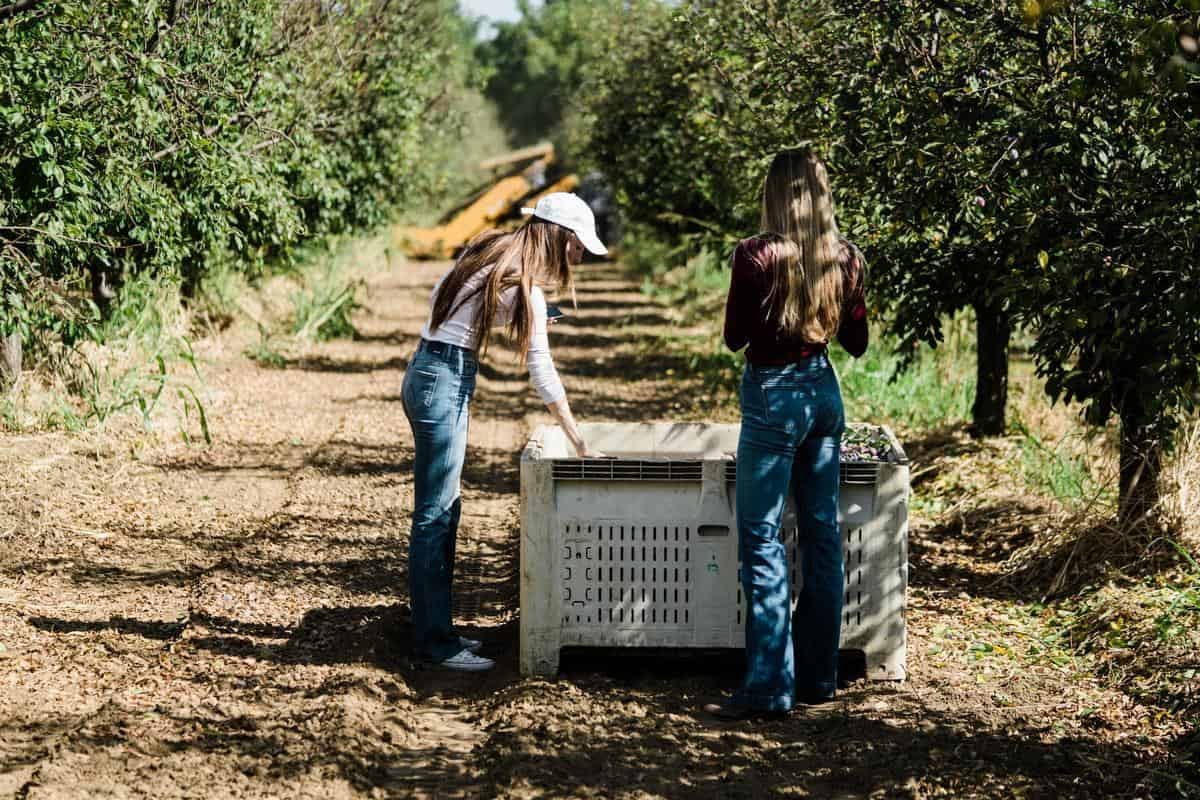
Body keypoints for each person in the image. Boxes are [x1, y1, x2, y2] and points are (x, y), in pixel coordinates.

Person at [402, 192, 608, 672]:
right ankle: (435, 643)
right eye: (578, 247)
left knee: (444, 510)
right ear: (560, 237)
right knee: (435, 515)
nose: (579, 258)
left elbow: (455, 307)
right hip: (443, 379)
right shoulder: (521, 280)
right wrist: (578, 440)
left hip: (432, 371)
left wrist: (532, 317)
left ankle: (441, 629)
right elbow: (542, 370)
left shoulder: (496, 251)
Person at [705, 149, 869, 719]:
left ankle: (769, 685)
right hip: (824, 393)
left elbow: (733, 337)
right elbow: (858, 343)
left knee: (763, 536)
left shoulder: (756, 255)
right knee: (823, 532)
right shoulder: (845, 258)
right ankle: (818, 676)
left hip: (775, 396)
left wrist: (775, 307)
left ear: (775, 194)